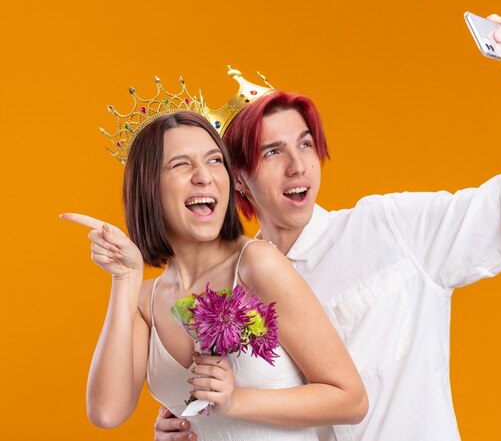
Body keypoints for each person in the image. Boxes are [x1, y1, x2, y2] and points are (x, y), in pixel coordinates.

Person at [154, 13, 501, 441]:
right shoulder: (227, 293)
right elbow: (235, 404)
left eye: (305, 144)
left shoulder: (390, 228)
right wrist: (192, 422)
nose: (298, 166)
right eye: (273, 152)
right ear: (238, 178)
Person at [62, 109, 367, 440]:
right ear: (148, 186)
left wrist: (235, 401)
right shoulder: (143, 301)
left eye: (214, 161)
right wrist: (124, 278)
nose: (204, 176)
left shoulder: (256, 265)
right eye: (181, 164)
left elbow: (350, 399)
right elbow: (108, 412)